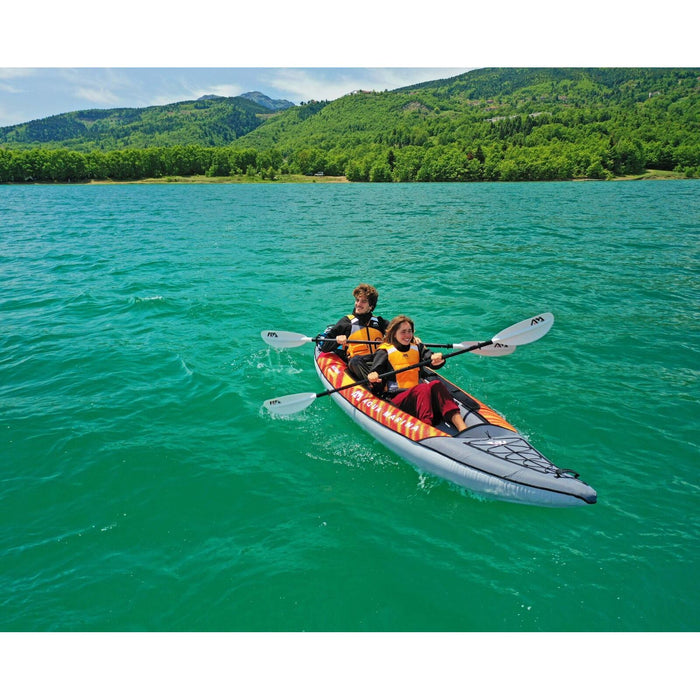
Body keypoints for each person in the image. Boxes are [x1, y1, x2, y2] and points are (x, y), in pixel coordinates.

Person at [367, 315, 468, 432]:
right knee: (422, 388)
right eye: (403, 332)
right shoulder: (384, 351)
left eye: (409, 331)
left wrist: (437, 359)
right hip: (396, 399)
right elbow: (375, 376)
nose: (407, 335)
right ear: (394, 333)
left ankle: (462, 427)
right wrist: (374, 378)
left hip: (418, 396)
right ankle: (428, 429)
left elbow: (430, 359)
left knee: (436, 384)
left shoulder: (417, 347)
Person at [319, 284, 389, 382]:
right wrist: (337, 340)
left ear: (371, 306)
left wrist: (412, 338)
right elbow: (325, 347)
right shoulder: (346, 322)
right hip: (359, 364)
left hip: (378, 363)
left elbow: (397, 333)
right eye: (357, 300)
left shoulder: (380, 322)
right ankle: (373, 385)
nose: (358, 304)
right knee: (355, 361)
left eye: (363, 301)